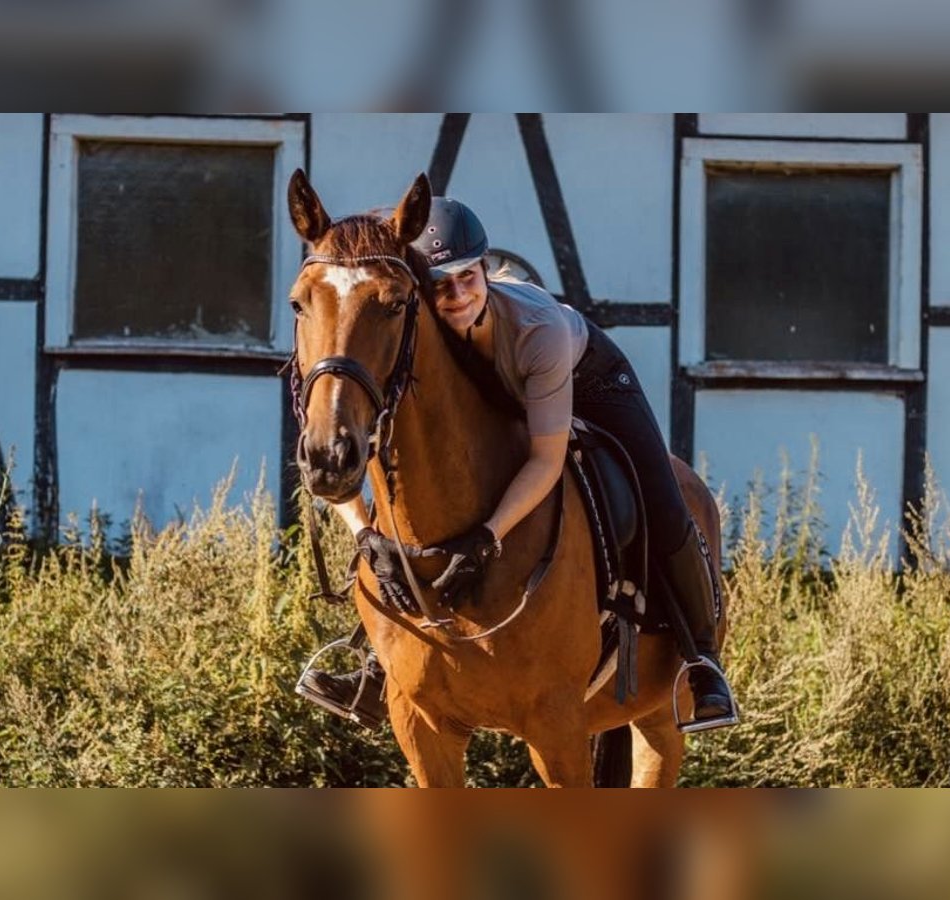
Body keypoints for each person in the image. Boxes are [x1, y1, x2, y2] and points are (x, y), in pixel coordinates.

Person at [299, 197, 737, 731]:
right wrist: (366, 536)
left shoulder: (538, 329)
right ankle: (377, 665)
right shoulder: (414, 326)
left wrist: (487, 535)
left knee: (661, 493)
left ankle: (701, 659)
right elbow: (358, 450)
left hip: (585, 377)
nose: (456, 295)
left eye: (468, 276)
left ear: (485, 269)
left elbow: (546, 460)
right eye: (441, 283)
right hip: (489, 384)